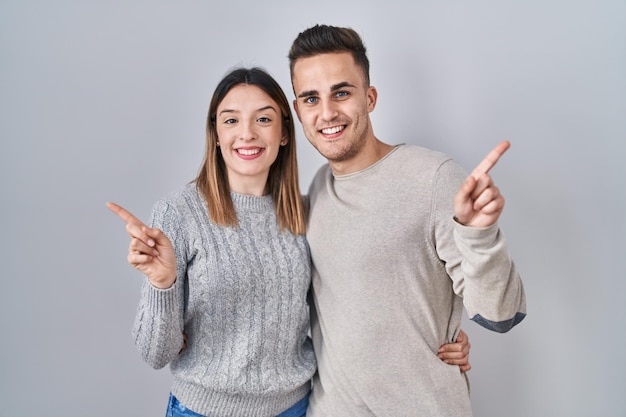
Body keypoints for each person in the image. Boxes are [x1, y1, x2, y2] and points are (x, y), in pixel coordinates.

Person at [107, 67, 471, 417]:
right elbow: (155, 354)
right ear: (215, 134)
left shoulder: (303, 212)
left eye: (263, 119)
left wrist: (438, 333)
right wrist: (163, 284)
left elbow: (349, 301)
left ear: (283, 132)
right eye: (231, 120)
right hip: (202, 411)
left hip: (296, 409)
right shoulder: (178, 214)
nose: (246, 133)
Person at [287, 24, 527, 417]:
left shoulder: (433, 177)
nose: (327, 112)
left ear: (370, 97)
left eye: (342, 93)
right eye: (311, 98)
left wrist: (479, 233)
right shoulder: (317, 190)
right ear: (298, 110)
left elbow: (501, 315)